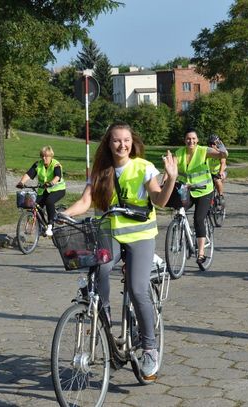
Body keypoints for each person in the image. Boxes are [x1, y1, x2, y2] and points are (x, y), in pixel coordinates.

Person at [62, 122, 178, 379]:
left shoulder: (143, 167)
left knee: (137, 289)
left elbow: (159, 200)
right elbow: (85, 201)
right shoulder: (101, 171)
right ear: (108, 143)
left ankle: (149, 348)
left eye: (126, 140)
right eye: (116, 140)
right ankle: (102, 318)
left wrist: (171, 178)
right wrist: (63, 215)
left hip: (140, 236)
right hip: (110, 234)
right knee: (99, 269)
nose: (122, 145)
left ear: (132, 142)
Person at [165, 129, 228, 270]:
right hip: (186, 190)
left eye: (193, 138)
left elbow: (222, 155)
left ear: (197, 140)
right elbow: (171, 169)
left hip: (204, 190)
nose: (191, 141)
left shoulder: (203, 151)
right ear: (184, 140)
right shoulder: (179, 153)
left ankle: (200, 253)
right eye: (188, 138)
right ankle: (181, 230)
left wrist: (221, 147)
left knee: (198, 219)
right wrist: (165, 182)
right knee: (178, 211)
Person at [16, 146, 66, 237]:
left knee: (49, 201)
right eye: (42, 156)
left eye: (46, 156)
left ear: (51, 156)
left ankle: (50, 225)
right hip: (43, 190)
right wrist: (21, 182)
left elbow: (57, 176)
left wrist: (51, 183)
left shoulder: (56, 164)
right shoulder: (38, 164)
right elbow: (29, 174)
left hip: (58, 189)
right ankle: (42, 227)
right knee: (34, 205)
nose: (44, 158)